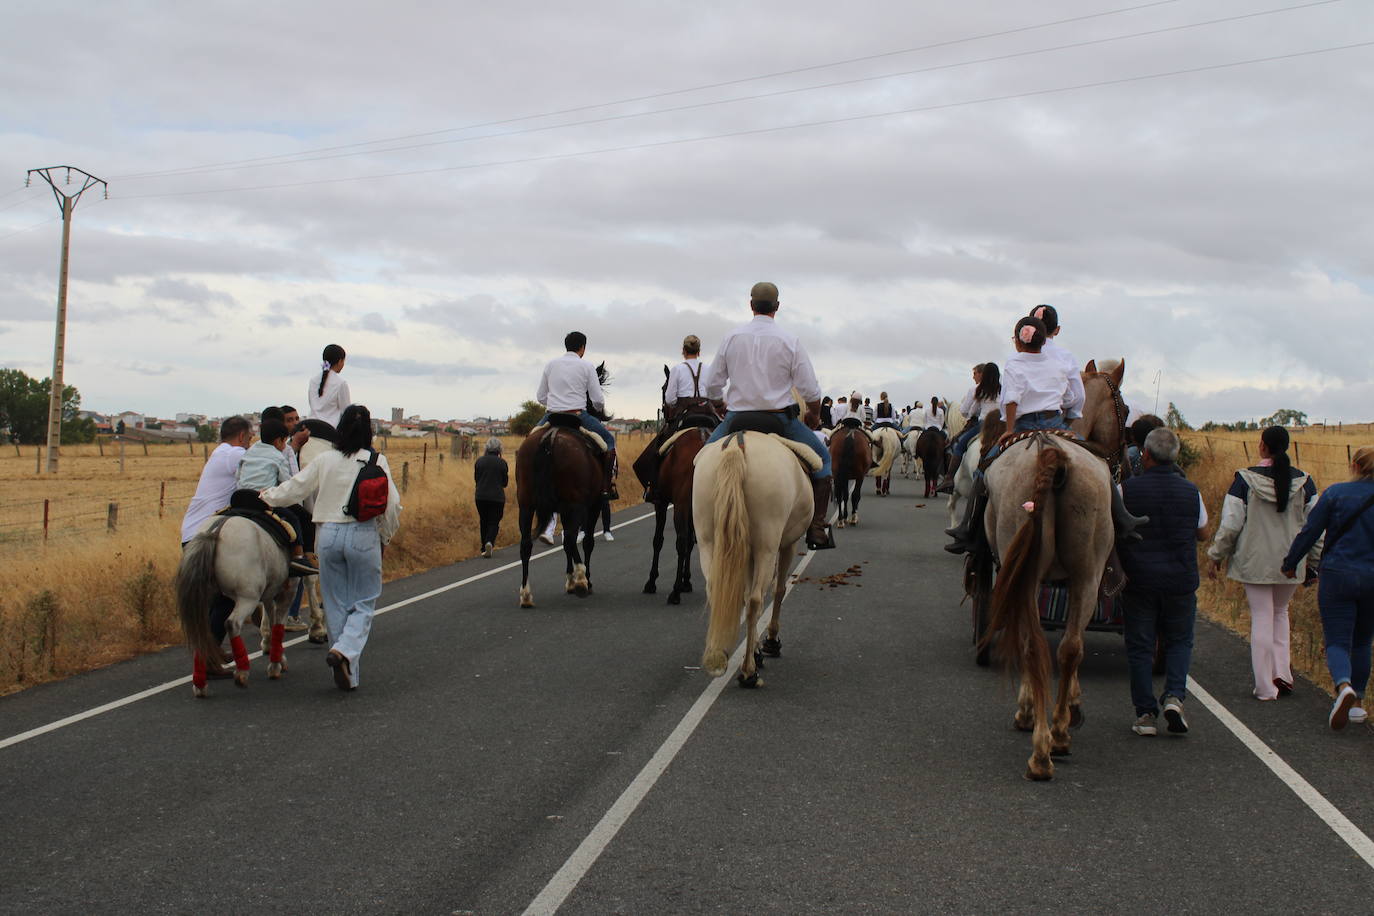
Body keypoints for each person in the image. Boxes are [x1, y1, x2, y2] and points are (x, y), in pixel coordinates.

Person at [946, 316, 1144, 554]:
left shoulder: (1014, 362)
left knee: (984, 468)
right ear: (1044, 341)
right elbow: (1075, 399)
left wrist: (1009, 429)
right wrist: (1067, 422)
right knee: (1098, 462)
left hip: (1023, 425)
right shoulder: (1059, 362)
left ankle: (968, 527)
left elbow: (1010, 399)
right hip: (1055, 422)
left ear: (1018, 343)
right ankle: (1123, 518)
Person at [260, 405, 401, 691]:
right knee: (364, 600)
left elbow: (296, 488)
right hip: (363, 533)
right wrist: (385, 537)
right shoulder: (376, 460)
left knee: (334, 604)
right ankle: (346, 651)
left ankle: (348, 671)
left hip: (327, 534)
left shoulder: (325, 459)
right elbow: (392, 505)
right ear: (368, 432)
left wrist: (265, 497)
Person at [701, 281, 835, 549]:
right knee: (823, 461)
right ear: (777, 307)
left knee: (700, 461)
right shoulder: (790, 341)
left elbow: (712, 384)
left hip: (736, 419)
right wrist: (814, 414)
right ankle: (817, 528)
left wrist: (717, 404)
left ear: (751, 306)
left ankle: (701, 524)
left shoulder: (731, 338)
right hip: (779, 419)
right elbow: (810, 389)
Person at [1206, 425, 1319, 701]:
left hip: (1254, 561)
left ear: (1263, 446)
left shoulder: (1244, 480)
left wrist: (1216, 556)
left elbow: (1231, 524)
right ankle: (1282, 674)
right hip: (1292, 561)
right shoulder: (1305, 482)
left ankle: (1265, 687)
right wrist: (1314, 561)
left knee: (1261, 617)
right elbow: (1315, 527)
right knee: (1280, 613)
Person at [1118, 428, 1209, 736]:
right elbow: (1203, 532)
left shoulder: (1126, 490)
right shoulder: (1191, 491)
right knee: (1180, 641)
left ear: (1145, 454)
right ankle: (1174, 696)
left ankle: (1145, 714)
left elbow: (1115, 529)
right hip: (1180, 580)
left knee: (1140, 645)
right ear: (1176, 457)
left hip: (1140, 579)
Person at [1282, 445, 1374, 729]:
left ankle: (1342, 685)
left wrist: (1291, 562)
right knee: (1362, 640)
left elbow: (1310, 530)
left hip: (1337, 573)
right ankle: (1357, 702)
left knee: (1337, 639)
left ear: (1355, 466)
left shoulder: (1335, 493)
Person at [179, 415, 252, 677]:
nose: (250, 442)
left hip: (191, 532)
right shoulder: (234, 454)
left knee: (212, 600)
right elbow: (255, 476)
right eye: (251, 437)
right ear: (242, 436)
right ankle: (208, 658)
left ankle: (211, 650)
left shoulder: (219, 453)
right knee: (226, 596)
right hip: (207, 535)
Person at [535, 331, 618, 499]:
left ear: (566, 346)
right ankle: (606, 487)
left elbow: (540, 397)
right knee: (609, 441)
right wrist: (595, 407)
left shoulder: (550, 365)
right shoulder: (587, 366)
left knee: (528, 443)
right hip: (577, 415)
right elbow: (598, 400)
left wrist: (554, 404)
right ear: (582, 348)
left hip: (551, 415)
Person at [633, 334, 712, 501]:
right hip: (708, 416)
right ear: (699, 351)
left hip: (685, 418)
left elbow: (670, 399)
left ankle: (652, 488)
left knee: (657, 450)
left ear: (683, 351)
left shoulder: (677, 369)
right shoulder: (708, 368)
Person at [236, 418, 318, 576]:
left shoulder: (249, 452)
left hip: (241, 498)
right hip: (264, 499)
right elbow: (287, 484)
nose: (284, 446)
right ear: (278, 441)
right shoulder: (278, 457)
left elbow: (238, 476)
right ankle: (301, 557)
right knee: (301, 518)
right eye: (284, 442)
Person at [939, 363, 1000, 492]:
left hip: (985, 424)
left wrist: (972, 414)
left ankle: (949, 478)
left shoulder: (979, 389)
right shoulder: (1004, 389)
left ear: (984, 374)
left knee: (960, 446)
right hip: (1003, 425)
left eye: (975, 374)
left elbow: (967, 412)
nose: (973, 377)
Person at [1029, 304, 1086, 422]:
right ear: (1057, 330)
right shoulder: (1066, 356)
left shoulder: (1017, 356)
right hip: (1053, 419)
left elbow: (1007, 398)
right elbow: (1079, 396)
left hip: (1021, 422)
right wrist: (1069, 419)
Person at [474, 436, 509, 558]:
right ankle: (489, 542)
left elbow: (476, 479)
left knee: (484, 521)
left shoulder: (479, 461)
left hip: (480, 496)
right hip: (497, 497)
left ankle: (484, 547)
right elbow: (505, 483)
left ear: (487, 448)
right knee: (494, 522)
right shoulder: (502, 463)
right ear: (499, 449)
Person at [308, 343, 351, 427]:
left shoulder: (313, 380)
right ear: (339, 361)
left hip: (311, 427)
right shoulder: (341, 383)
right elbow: (346, 413)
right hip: (330, 431)